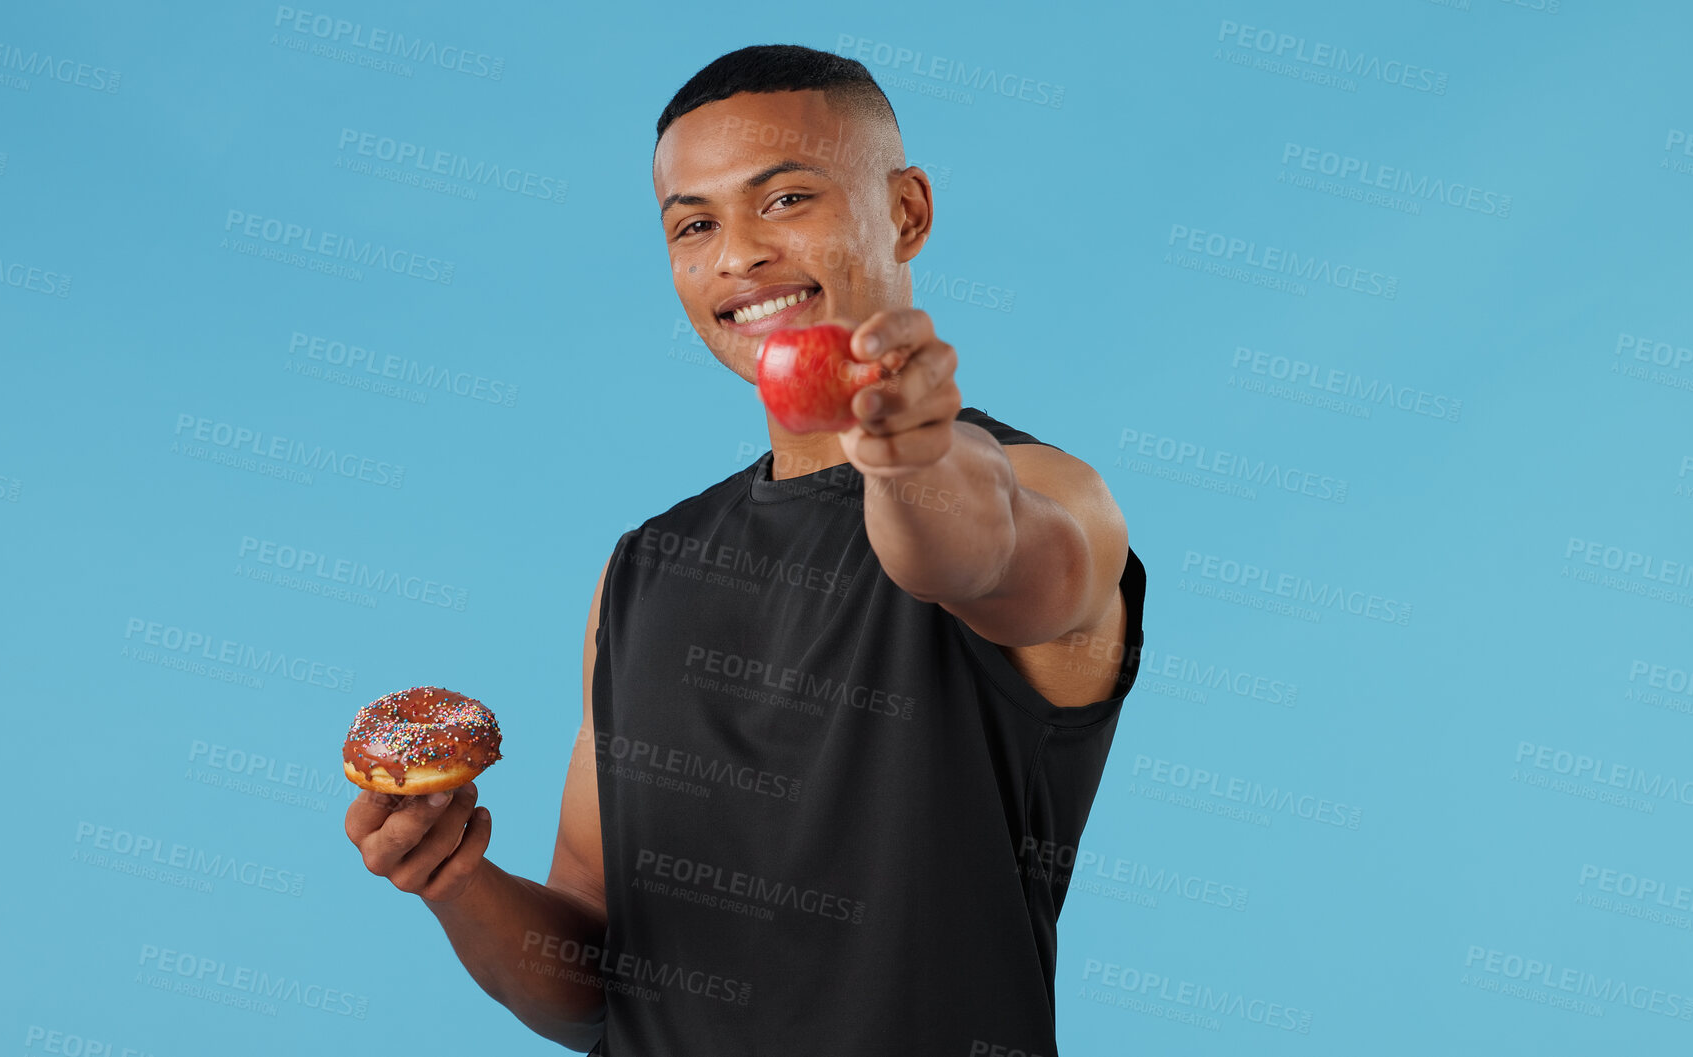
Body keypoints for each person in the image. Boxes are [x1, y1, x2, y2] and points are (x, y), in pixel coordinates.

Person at [344, 43, 1147, 1055]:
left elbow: (973, 558)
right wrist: (456, 879)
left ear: (906, 212)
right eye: (693, 224)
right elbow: (592, 985)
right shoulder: (643, 567)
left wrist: (909, 462)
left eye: (782, 201)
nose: (736, 256)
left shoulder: (1043, 491)